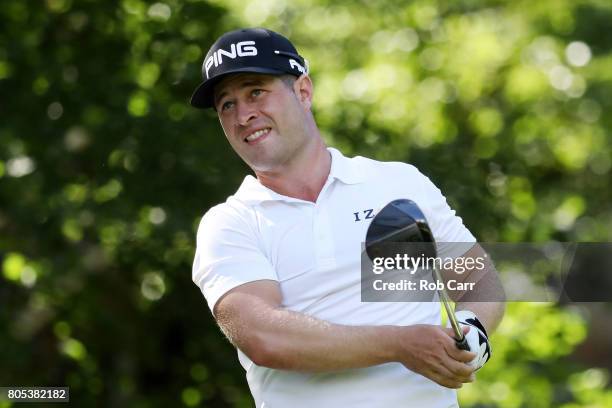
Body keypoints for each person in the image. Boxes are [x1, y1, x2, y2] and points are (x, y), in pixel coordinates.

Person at [190, 27, 505, 408]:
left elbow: (476, 276)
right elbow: (265, 338)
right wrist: (400, 345)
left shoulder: (398, 183)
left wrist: (474, 331)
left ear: (303, 92)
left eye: (256, 91)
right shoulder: (229, 223)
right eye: (227, 105)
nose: (243, 115)